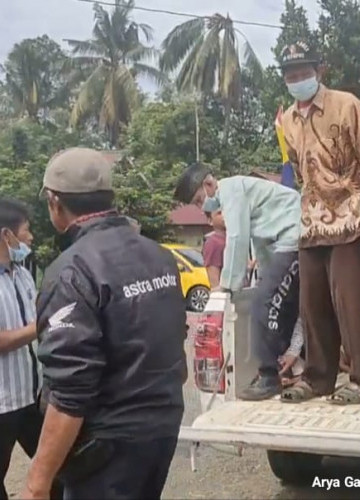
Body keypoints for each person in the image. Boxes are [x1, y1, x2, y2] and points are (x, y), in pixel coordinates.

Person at [21, 148, 187, 500]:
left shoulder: (72, 271)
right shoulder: (159, 256)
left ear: (54, 202)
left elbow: (71, 390)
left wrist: (37, 482)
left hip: (107, 445)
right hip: (162, 428)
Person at [277, 41, 360, 405]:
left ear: (318, 72)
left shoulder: (346, 104)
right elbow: (295, 166)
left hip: (350, 216)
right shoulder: (286, 120)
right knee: (313, 303)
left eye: (303, 72)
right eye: (291, 75)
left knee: (350, 303)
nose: (297, 79)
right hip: (310, 222)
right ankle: (319, 378)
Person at [173, 165, 303, 400]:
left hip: (293, 236)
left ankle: (268, 376)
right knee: (283, 304)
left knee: (263, 304)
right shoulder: (239, 191)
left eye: (200, 200)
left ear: (210, 185)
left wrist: (227, 285)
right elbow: (259, 239)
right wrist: (264, 274)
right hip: (287, 238)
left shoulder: (231, 190)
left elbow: (237, 236)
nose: (201, 207)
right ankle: (281, 366)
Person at [0, 199, 62, 500]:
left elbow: (40, 314)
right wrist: (42, 325)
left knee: (58, 473)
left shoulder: (23, 274)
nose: (31, 237)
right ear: (6, 236)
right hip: (1, 403)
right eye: (26, 230)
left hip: (31, 398)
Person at [202, 208, 226, 288]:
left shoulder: (234, 239)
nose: (224, 215)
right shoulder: (213, 243)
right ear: (210, 221)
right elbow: (214, 281)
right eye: (219, 213)